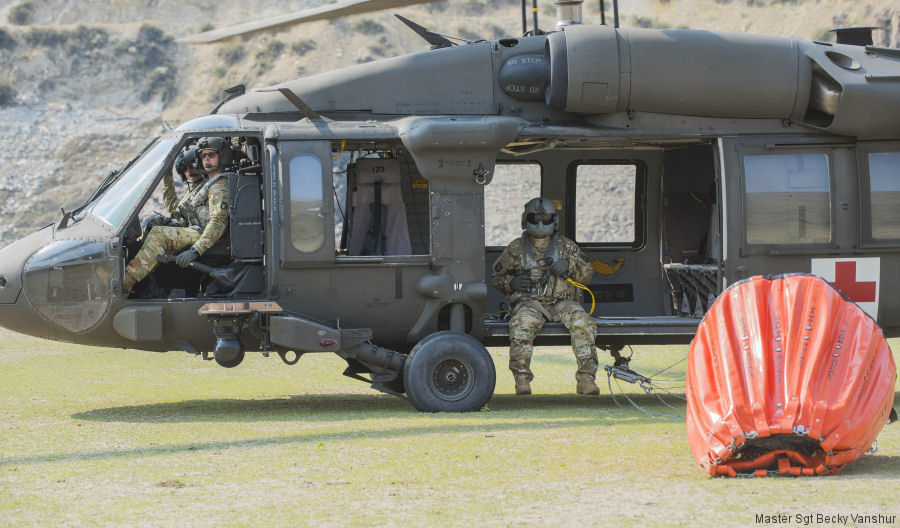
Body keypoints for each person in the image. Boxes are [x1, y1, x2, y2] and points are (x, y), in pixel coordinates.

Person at [491, 197, 599, 396]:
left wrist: (570, 265)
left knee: (582, 322)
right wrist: (511, 283)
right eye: (535, 219)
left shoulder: (567, 247)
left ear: (554, 221)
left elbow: (588, 274)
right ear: (525, 220)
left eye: (545, 219)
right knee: (522, 324)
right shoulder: (515, 249)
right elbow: (496, 277)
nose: (540, 224)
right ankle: (522, 379)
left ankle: (586, 379)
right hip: (530, 304)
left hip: (563, 303)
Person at [122, 137, 233, 293]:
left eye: (211, 155)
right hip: (198, 230)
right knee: (155, 222)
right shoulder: (210, 183)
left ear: (223, 156)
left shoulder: (220, 186)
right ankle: (144, 272)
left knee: (159, 234)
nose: (206, 159)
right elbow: (175, 207)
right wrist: (167, 175)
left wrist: (195, 251)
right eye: (203, 155)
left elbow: (217, 223)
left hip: (205, 235)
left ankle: (126, 283)